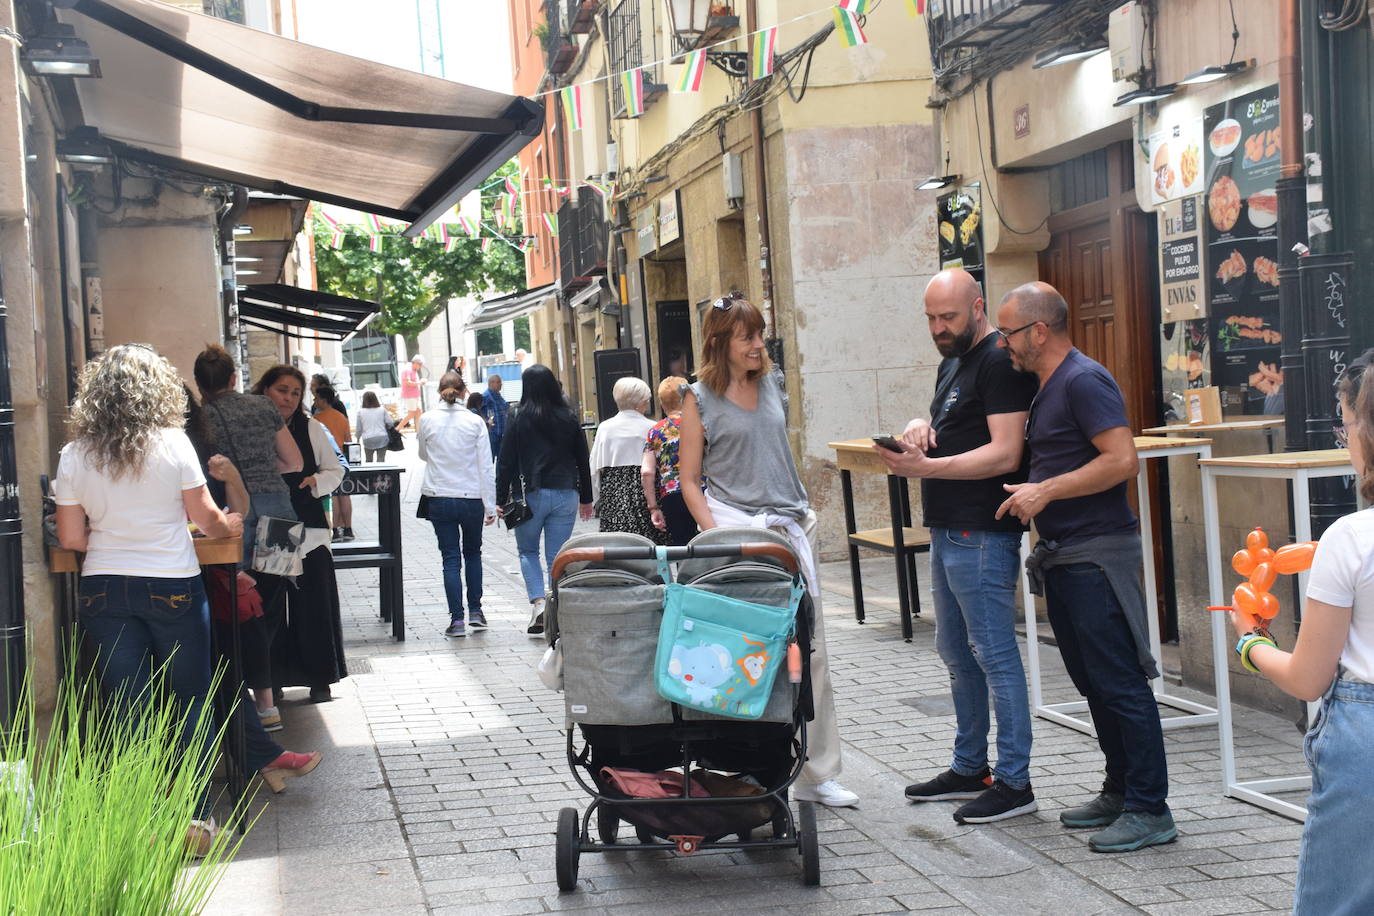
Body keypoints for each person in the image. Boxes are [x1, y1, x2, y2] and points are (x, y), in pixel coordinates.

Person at [994, 281, 1174, 853]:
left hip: (1099, 555)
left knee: (1120, 683)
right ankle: (1120, 790)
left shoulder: (1083, 379)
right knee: (1093, 681)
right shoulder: (1048, 385)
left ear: (1038, 331)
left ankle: (1151, 807)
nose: (1004, 345)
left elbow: (1123, 462)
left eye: (1009, 333)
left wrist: (1044, 491)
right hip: (1068, 557)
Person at [54, 344, 245, 854]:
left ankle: (145, 822)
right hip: (171, 584)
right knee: (191, 703)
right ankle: (197, 822)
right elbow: (205, 518)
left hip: (103, 588)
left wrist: (116, 537)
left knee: (128, 707)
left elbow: (72, 538)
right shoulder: (171, 443)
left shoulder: (74, 454)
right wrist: (227, 523)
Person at [677, 292, 858, 809]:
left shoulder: (775, 382)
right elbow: (691, 482)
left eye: (760, 333)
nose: (759, 344)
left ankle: (817, 775)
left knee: (812, 653)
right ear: (720, 343)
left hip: (792, 528)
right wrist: (717, 537)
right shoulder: (699, 398)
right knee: (745, 654)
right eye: (747, 337)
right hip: (737, 536)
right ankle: (749, 769)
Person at [880, 268, 1039, 824]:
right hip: (949, 528)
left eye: (947, 317)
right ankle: (970, 766)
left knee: (994, 654)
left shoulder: (999, 359)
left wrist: (926, 465)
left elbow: (1005, 453)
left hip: (983, 530)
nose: (938, 328)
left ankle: (1015, 781)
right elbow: (959, 426)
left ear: (977, 307)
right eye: (930, 318)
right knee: (955, 652)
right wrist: (921, 426)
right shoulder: (955, 361)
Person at [1226, 351, 1374, 913]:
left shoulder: (1352, 538)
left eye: (1347, 422)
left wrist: (1251, 643)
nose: (1345, 440)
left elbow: (1309, 677)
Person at [194, 344, 303, 729]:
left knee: (237, 607)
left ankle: (237, 697)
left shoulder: (200, 417)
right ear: (233, 377)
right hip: (277, 509)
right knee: (271, 604)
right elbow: (294, 462)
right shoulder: (263, 407)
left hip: (230, 514)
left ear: (200, 384)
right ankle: (266, 698)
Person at [253, 366, 348, 704]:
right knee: (271, 608)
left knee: (314, 605)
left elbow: (336, 469)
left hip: (309, 527)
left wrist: (315, 483)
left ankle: (319, 676)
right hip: (272, 526)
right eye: (282, 390)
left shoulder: (310, 427)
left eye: (295, 393)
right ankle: (271, 678)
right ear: (265, 389)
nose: (289, 399)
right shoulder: (254, 427)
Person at [495, 364, 593, 637]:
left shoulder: (517, 416)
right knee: (557, 555)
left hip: (531, 494)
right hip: (565, 493)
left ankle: (539, 603)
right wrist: (587, 498)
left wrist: (500, 497)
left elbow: (506, 461)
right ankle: (558, 606)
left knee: (527, 551)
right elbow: (582, 459)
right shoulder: (568, 416)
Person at [418, 372, 497, 638]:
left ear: (439, 391)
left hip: (439, 496)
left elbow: (422, 454)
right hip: (471, 497)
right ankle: (476, 611)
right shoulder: (475, 422)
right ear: (463, 391)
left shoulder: (427, 419)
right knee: (473, 554)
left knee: (450, 559)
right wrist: (490, 505)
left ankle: (457, 620)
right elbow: (485, 466)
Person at [590, 377, 662, 541]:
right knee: (648, 543)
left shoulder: (605, 428)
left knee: (618, 545)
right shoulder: (652, 427)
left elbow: (595, 465)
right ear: (640, 401)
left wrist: (596, 498)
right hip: (645, 490)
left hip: (614, 490)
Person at [641, 376, 698, 547]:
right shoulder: (701, 424)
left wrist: (653, 507)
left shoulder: (655, 431)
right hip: (702, 490)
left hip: (672, 495)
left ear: (662, 403)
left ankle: (685, 573)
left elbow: (647, 471)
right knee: (710, 545)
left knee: (682, 547)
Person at [313, 384, 354, 541]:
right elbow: (348, 439)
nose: (315, 401)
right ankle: (348, 529)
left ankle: (336, 530)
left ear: (323, 400)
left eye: (316, 398)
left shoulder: (316, 420)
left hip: (325, 461)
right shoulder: (341, 417)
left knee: (333, 496)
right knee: (345, 495)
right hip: (342, 460)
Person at [356, 390, 392, 462]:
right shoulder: (382, 410)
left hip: (368, 439)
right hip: (382, 437)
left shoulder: (360, 412)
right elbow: (390, 423)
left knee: (369, 460)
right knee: (381, 459)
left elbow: (359, 428)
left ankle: (370, 473)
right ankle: (380, 473)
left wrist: (357, 439)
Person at [483, 374, 510, 460]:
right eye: (498, 382)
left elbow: (506, 407)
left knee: (501, 459)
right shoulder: (486, 396)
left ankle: (499, 474)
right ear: (491, 383)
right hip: (492, 434)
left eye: (500, 382)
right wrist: (487, 421)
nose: (501, 384)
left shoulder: (498, 395)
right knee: (490, 459)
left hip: (500, 434)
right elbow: (481, 414)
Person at [398, 354, 426, 432]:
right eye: (420, 365)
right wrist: (420, 382)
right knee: (411, 414)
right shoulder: (407, 369)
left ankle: (419, 432)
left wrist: (419, 382)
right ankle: (397, 429)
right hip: (410, 395)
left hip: (414, 395)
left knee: (418, 412)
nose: (420, 367)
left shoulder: (413, 369)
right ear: (416, 363)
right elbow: (407, 382)